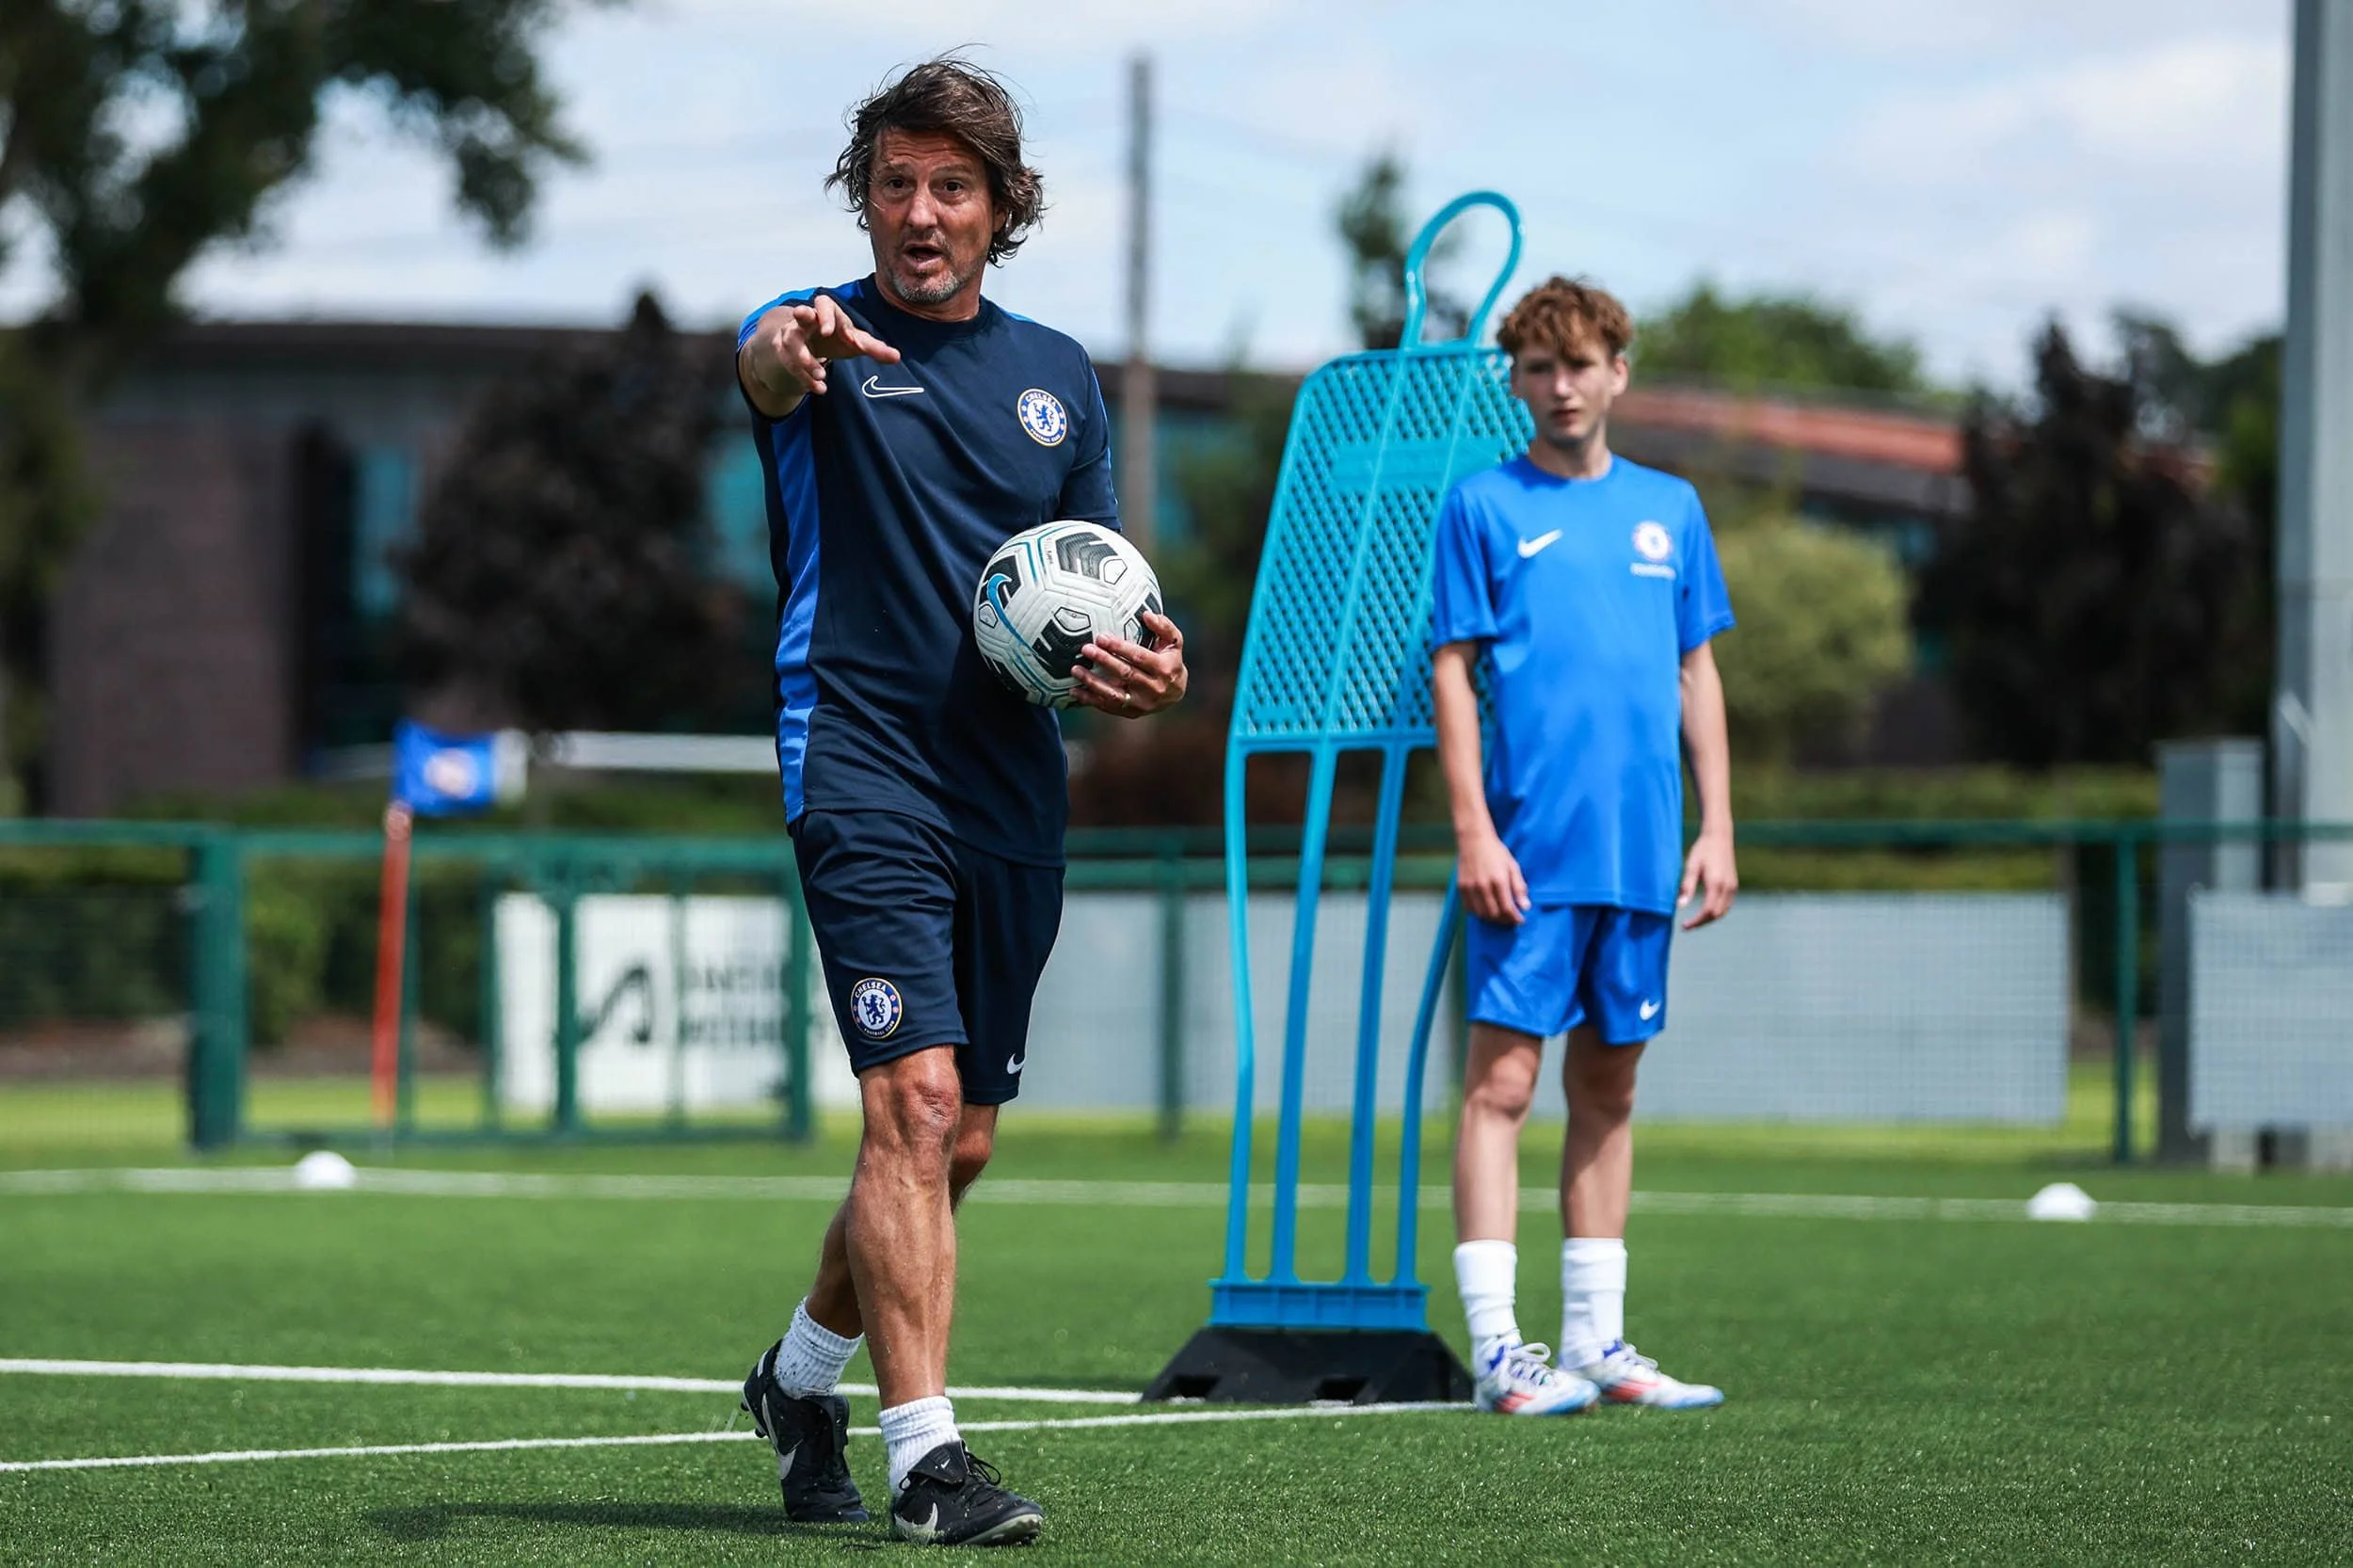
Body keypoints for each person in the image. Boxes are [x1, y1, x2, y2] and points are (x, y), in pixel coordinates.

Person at [730, 58, 1187, 1545]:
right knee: (910, 1105)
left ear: (1002, 206)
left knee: (962, 1136)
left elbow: (1108, 587)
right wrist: (794, 349)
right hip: (858, 762)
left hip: (1009, 785)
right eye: (894, 185)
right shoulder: (814, 338)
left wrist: (1153, 666)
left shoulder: (1059, 377)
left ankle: (802, 1377)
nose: (920, 215)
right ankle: (929, 1459)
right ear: (862, 199)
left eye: (952, 187)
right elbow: (760, 365)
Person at [1429, 276, 1737, 1417]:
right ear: (1515, 382)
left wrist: (1717, 826)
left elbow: (1695, 669)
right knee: (1502, 1085)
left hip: (1644, 854)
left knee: (1609, 1083)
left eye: (1581, 363)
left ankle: (1598, 1343)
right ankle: (1500, 1349)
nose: (1561, 386)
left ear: (1620, 371)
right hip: (1526, 851)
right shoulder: (1482, 507)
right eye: (1538, 367)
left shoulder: (1674, 509)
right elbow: (1452, 671)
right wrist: (1471, 829)